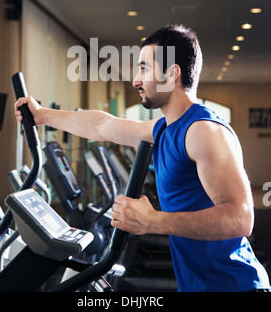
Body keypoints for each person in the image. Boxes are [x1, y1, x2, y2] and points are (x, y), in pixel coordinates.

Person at [15, 24, 270, 292]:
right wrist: (43, 115)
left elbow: (241, 219)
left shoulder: (203, 131)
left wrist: (153, 221)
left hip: (237, 287)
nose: (136, 80)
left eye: (144, 69)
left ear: (172, 74)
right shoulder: (163, 128)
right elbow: (101, 126)